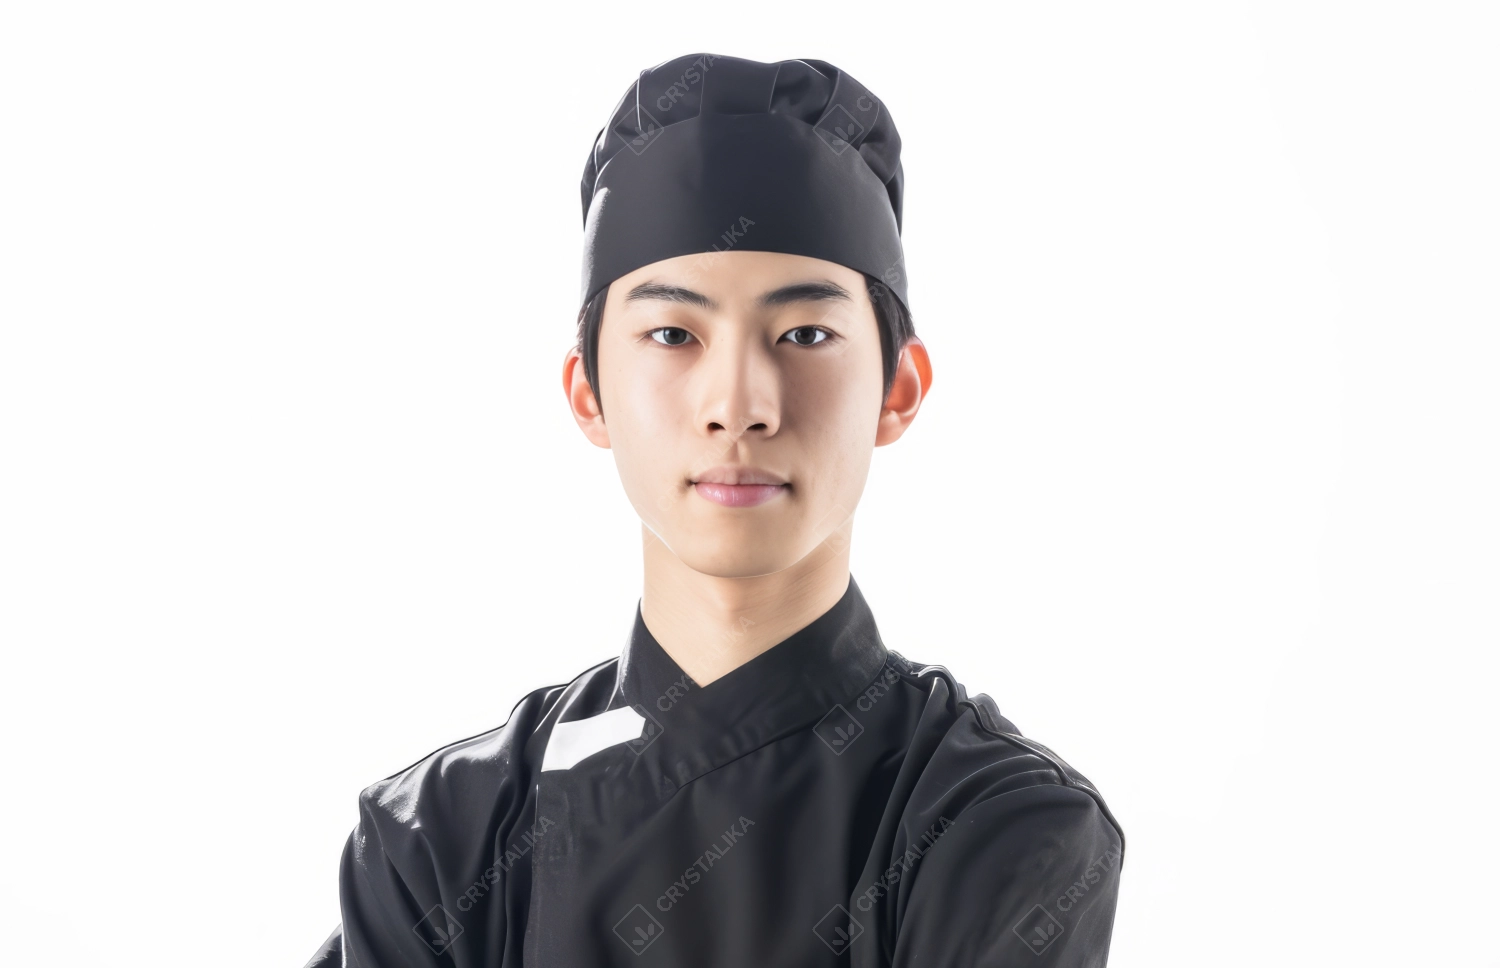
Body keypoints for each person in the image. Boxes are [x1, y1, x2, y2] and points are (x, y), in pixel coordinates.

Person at [306, 52, 1124, 967]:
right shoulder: (443, 839)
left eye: (804, 334)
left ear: (897, 388)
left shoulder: (989, 823)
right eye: (672, 334)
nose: (739, 402)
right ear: (589, 395)